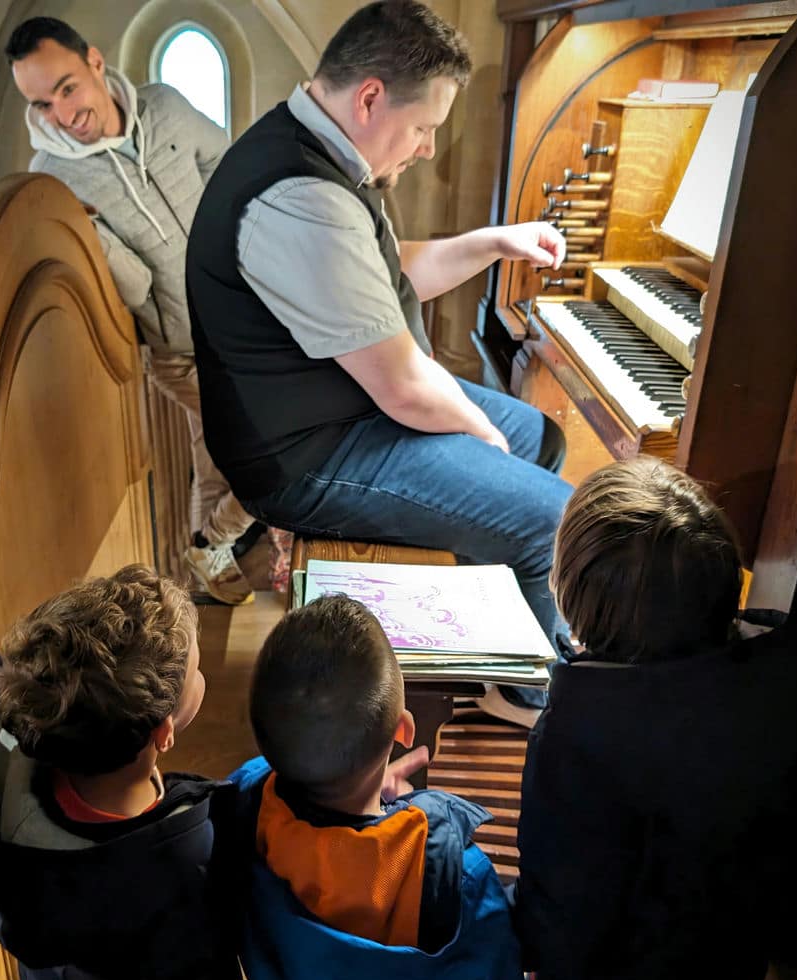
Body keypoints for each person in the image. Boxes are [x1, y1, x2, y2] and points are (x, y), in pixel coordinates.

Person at [185, 0, 573, 723]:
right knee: (554, 519)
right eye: (424, 126)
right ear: (369, 98)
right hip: (304, 454)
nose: (427, 147)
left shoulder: (317, 153)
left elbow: (387, 276)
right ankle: (530, 697)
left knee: (540, 439)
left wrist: (494, 241)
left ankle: (495, 630)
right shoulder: (299, 195)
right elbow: (403, 387)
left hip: (345, 407)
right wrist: (480, 442)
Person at [0, 466, 244, 980]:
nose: (201, 673)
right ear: (163, 733)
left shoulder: (3, 762)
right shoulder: (189, 857)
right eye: (195, 669)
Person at [514, 458, 797, 980]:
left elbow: (563, 903)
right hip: (733, 968)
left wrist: (539, 971)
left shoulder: (576, 736)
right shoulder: (783, 678)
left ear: (574, 592)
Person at [6, 16, 259, 605]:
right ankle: (211, 543)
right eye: (42, 105)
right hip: (180, 350)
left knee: (213, 457)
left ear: (95, 63)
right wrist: (95, 234)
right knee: (276, 454)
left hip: (247, 324)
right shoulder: (52, 182)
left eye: (67, 88)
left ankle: (206, 568)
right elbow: (136, 286)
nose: (62, 115)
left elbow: (225, 165)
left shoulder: (165, 107)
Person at [229, 594, 525, 980]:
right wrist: (399, 809)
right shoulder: (458, 873)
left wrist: (368, 794)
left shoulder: (243, 802)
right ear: (405, 730)